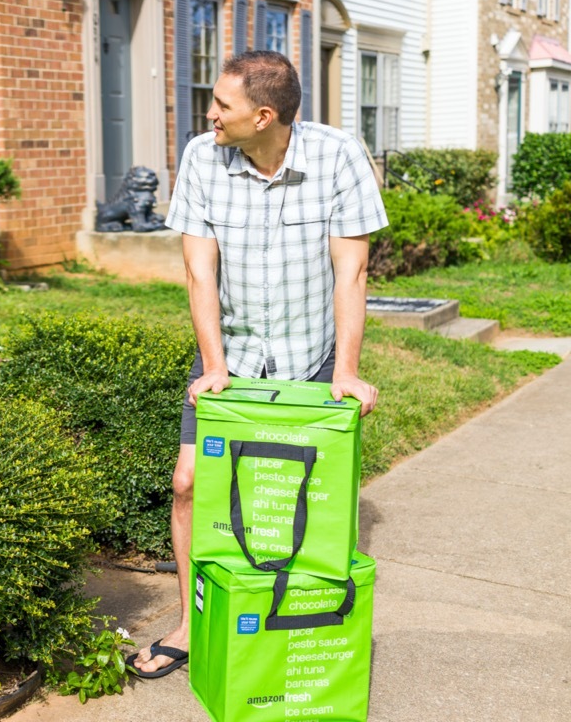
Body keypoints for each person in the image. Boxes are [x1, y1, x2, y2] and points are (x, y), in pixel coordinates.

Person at [128, 50, 388, 678]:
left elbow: (350, 272)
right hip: (232, 352)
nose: (209, 113)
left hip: (313, 354)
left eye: (222, 105)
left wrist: (345, 371)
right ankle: (192, 625)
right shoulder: (201, 156)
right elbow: (199, 269)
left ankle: (288, 618)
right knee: (189, 483)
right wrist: (214, 364)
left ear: (264, 116)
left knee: (299, 499)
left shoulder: (338, 156)